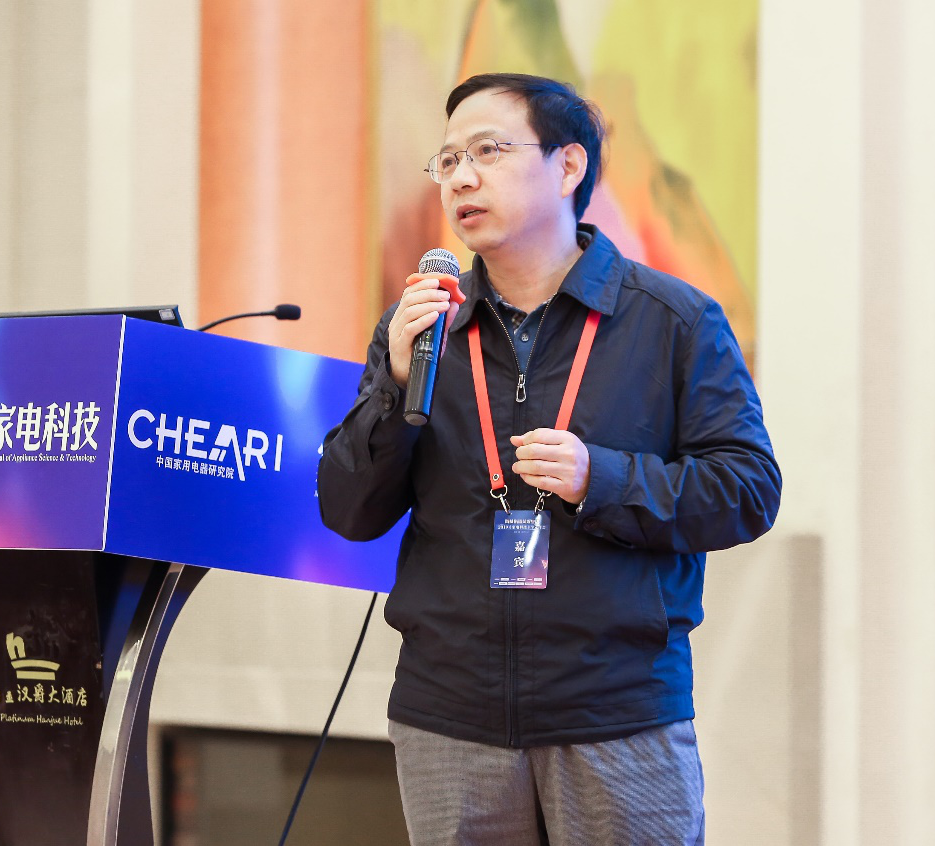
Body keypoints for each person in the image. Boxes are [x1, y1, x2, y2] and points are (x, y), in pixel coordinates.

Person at [318, 72, 781, 846]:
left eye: (487, 151)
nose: (460, 177)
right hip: (447, 717)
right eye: (447, 161)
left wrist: (601, 478)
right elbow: (348, 510)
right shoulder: (420, 330)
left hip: (615, 712)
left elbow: (746, 490)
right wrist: (393, 387)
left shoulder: (672, 321)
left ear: (567, 166)